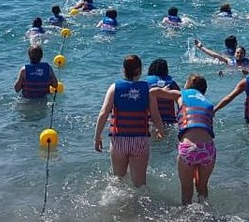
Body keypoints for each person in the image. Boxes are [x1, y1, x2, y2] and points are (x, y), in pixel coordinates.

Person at [93, 55, 177, 188]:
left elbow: (103, 113)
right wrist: (161, 130)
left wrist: (97, 137)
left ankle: (118, 201)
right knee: (140, 184)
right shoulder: (147, 89)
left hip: (119, 140)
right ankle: (140, 201)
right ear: (140, 70)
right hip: (140, 140)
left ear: (123, 70)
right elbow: (155, 114)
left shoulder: (114, 88)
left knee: (118, 180)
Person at [176, 74, 217, 205]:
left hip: (188, 148)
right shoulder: (207, 103)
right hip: (208, 149)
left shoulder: (182, 95)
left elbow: (155, 92)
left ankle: (186, 215)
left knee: (186, 189)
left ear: (188, 86)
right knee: (202, 187)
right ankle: (205, 211)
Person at [146, 58, 181, 125]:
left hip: (152, 121)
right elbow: (181, 100)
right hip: (169, 121)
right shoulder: (172, 83)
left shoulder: (147, 82)